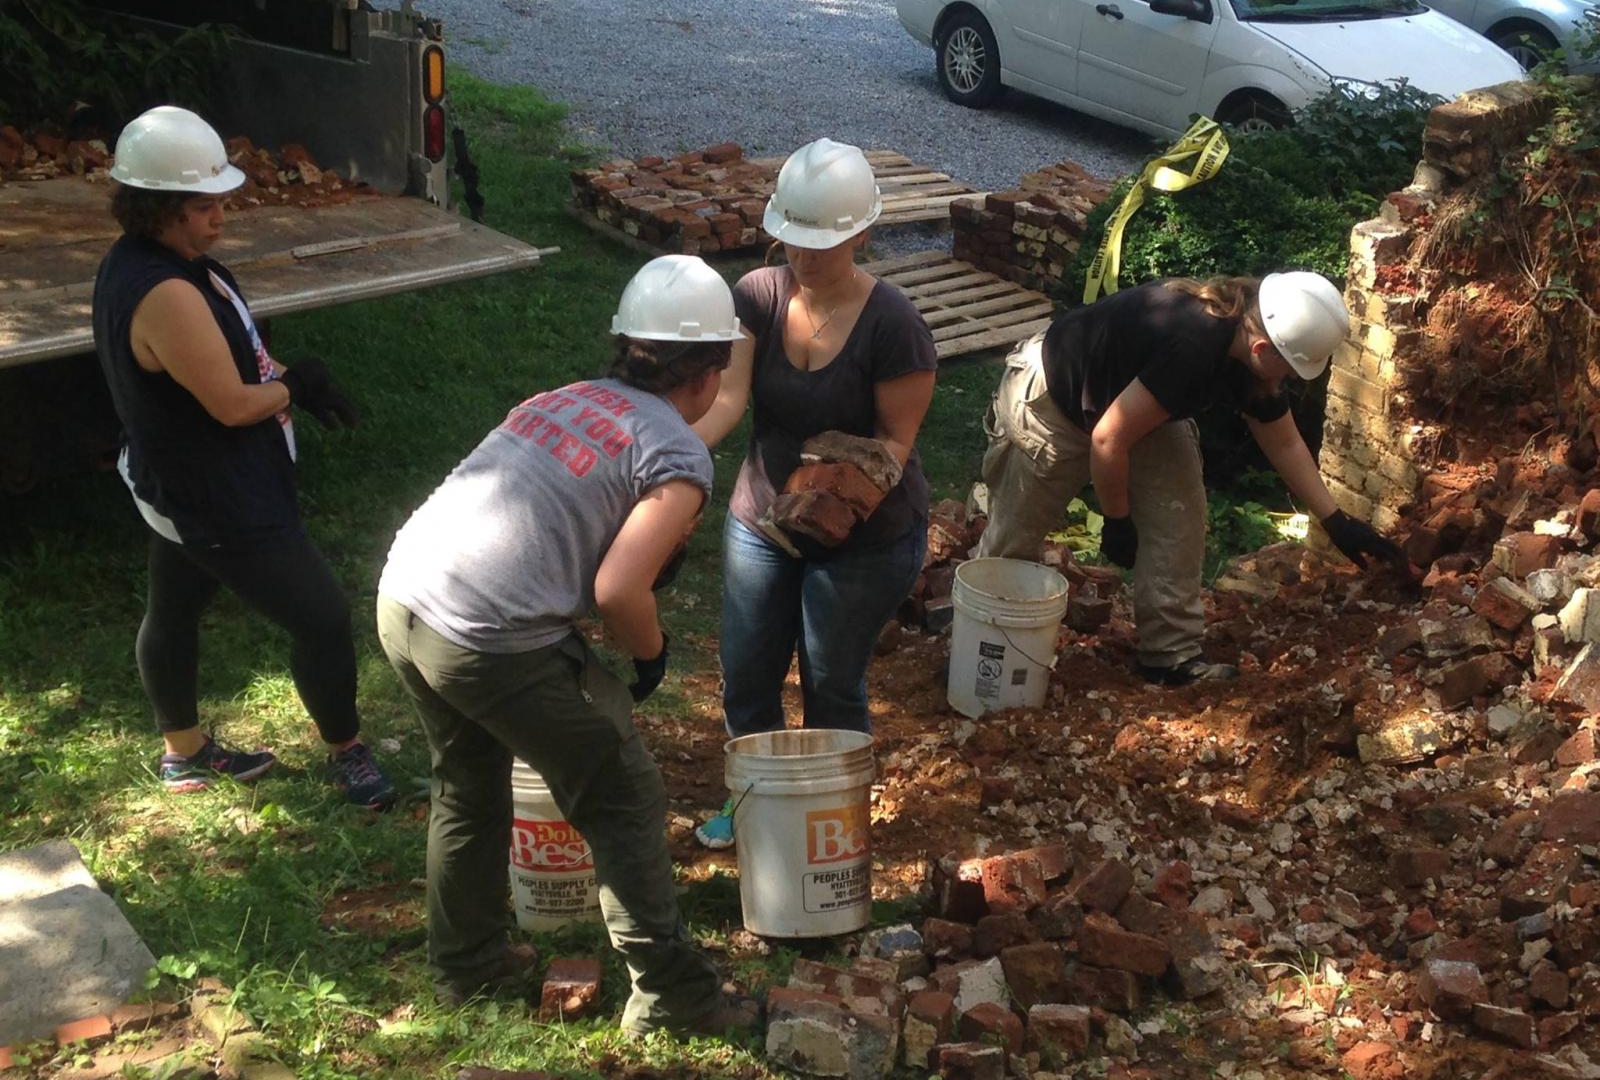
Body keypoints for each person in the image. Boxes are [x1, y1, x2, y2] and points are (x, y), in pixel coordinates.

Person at [376, 256, 738, 1026]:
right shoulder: (678, 455)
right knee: (621, 789)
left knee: (468, 781)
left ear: (626, 348)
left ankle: (466, 968)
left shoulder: (562, 398)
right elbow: (618, 592)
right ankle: (674, 997)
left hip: (404, 596)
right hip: (484, 635)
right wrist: (651, 654)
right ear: (709, 374)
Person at [92, 105, 394, 808]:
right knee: (320, 615)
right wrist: (296, 384)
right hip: (218, 497)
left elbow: (239, 360)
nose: (220, 217)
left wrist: (292, 383)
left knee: (174, 605)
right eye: (203, 207)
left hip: (174, 482)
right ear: (156, 208)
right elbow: (231, 402)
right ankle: (348, 752)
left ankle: (184, 753)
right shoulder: (164, 291)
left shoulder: (164, 264)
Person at [975, 271, 1402, 686]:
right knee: (1016, 534)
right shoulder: (1193, 345)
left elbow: (1284, 442)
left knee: (1179, 520)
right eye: (1290, 368)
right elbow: (1107, 441)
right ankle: (975, 631)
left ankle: (1170, 656)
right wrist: (1118, 519)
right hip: (1056, 395)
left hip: (1139, 403)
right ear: (1260, 348)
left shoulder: (1248, 342)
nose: (1290, 378)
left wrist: (1335, 521)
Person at [691, 138, 937, 848]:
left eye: (820, 244)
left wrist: (830, 483)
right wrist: (673, 456)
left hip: (866, 536)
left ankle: (833, 826)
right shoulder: (757, 298)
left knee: (830, 683)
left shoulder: (895, 326)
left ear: (863, 234)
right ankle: (754, 813)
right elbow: (730, 398)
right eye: (791, 239)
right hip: (762, 518)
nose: (801, 257)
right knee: (746, 674)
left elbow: (897, 441)